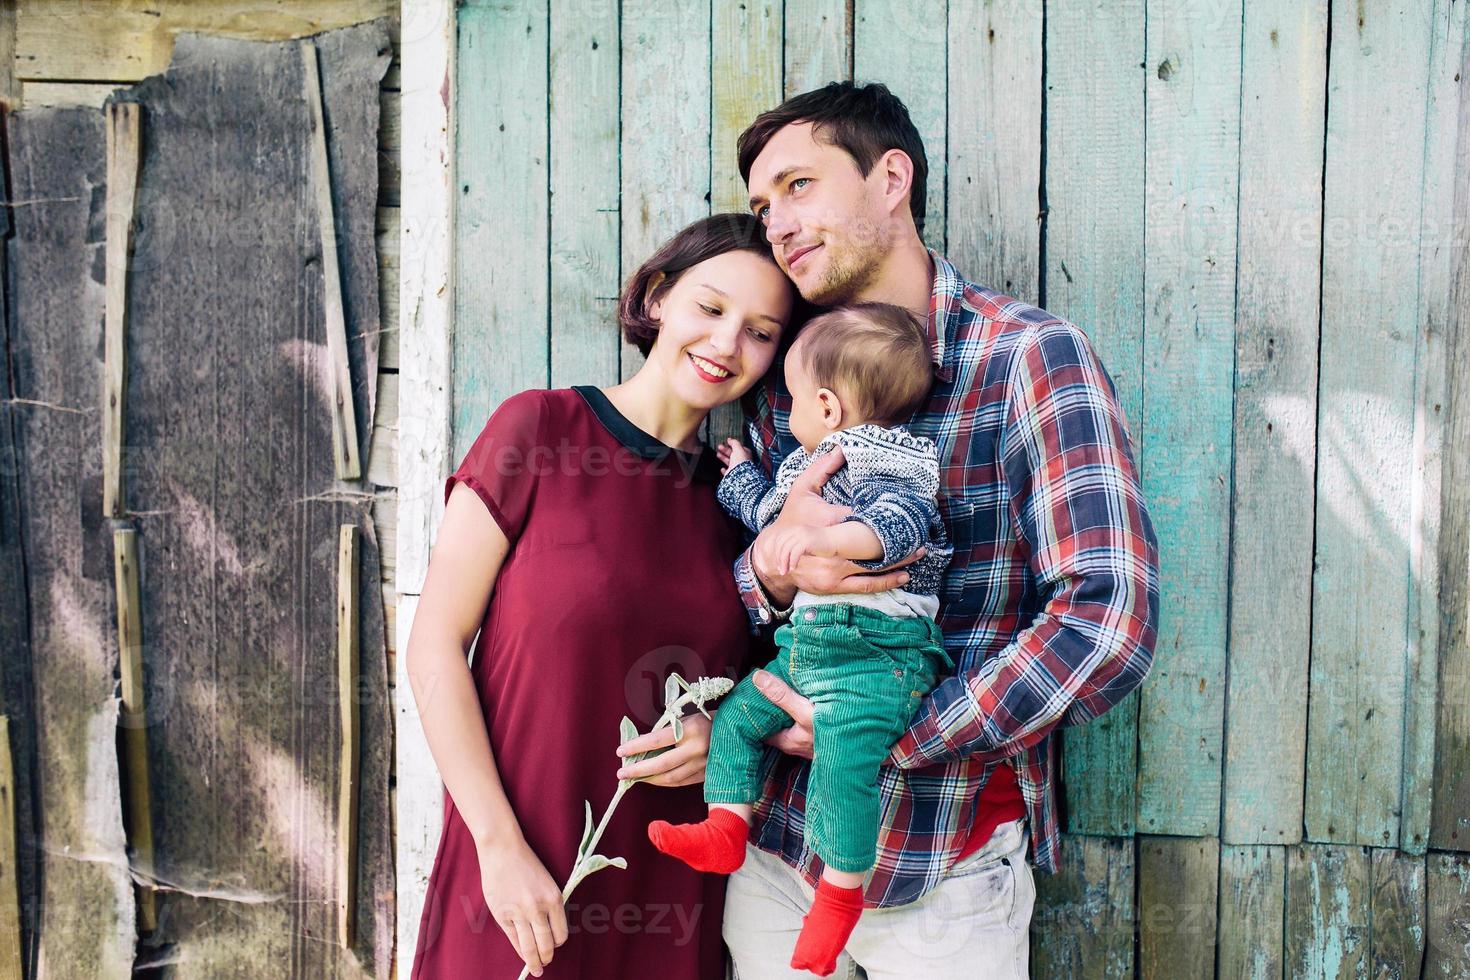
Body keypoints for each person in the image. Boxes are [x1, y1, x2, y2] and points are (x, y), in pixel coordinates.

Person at [722, 81, 1162, 978]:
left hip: (944, 865)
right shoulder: (785, 374)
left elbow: (1106, 622)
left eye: (800, 185)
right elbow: (736, 586)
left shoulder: (1028, 357)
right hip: (772, 859)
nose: (777, 221)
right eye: (764, 205)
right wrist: (767, 572)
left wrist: (901, 732)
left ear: (892, 178)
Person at [405, 213, 796, 979]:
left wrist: (722, 735)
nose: (726, 345)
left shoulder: (743, 510)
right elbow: (433, 644)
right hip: (519, 868)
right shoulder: (540, 429)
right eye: (710, 309)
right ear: (656, 297)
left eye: (760, 332)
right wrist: (497, 846)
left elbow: (765, 685)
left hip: (664, 887)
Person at [647, 302, 953, 976]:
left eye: (790, 402)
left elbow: (900, 528)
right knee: (736, 719)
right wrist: (740, 477)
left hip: (881, 655)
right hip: (806, 651)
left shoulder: (895, 463)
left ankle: (840, 894)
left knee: (843, 762)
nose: (783, 418)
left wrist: (822, 538)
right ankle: (726, 827)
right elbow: (767, 520)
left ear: (826, 404)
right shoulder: (805, 464)